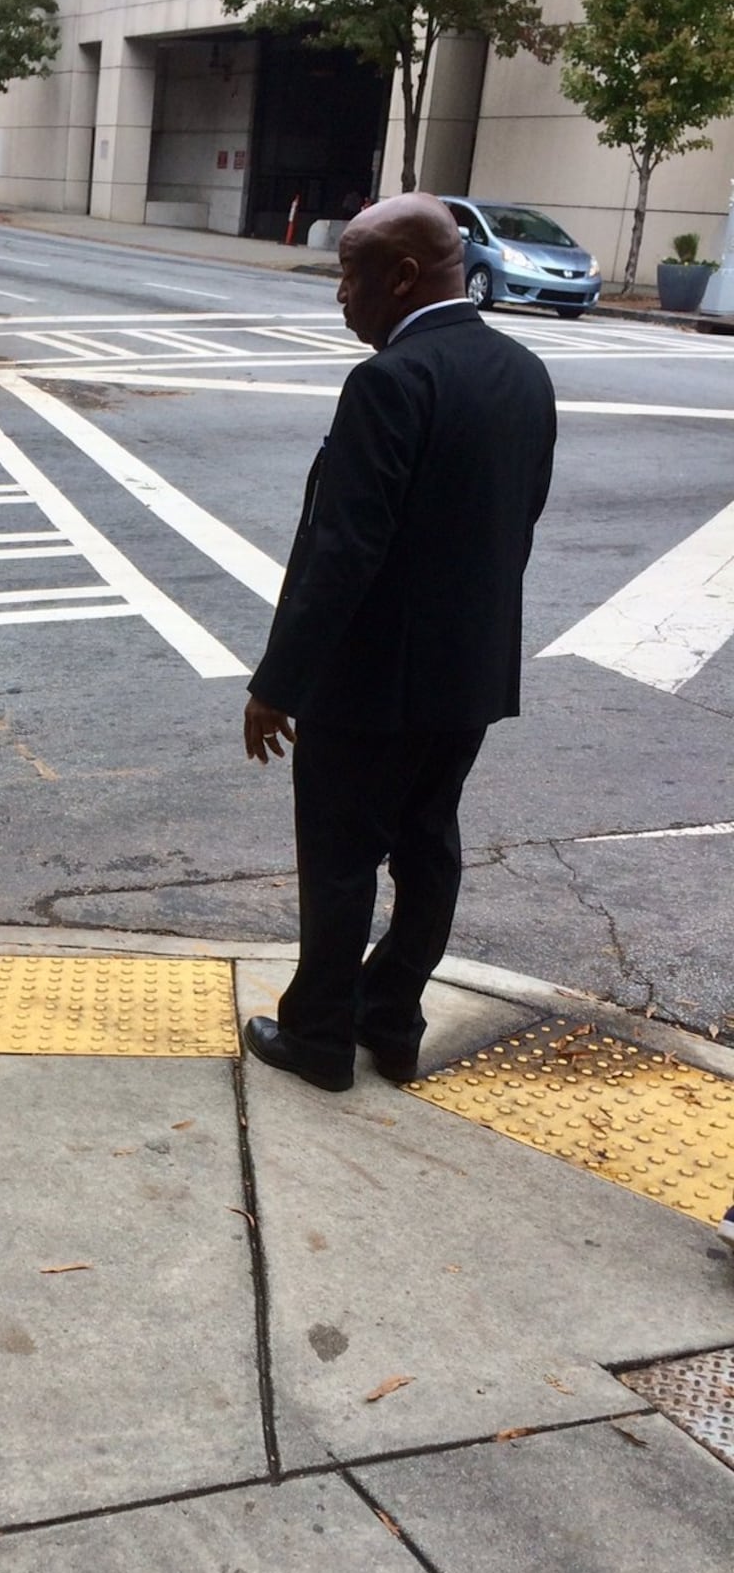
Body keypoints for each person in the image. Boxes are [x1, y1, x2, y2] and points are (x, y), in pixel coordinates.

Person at [241, 191, 557, 1093]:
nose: (341, 292)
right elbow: (517, 524)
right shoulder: (523, 374)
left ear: (404, 276)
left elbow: (344, 550)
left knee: (341, 858)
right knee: (428, 847)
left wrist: (280, 682)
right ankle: (393, 1020)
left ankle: (319, 1036)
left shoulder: (389, 382)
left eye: (350, 271)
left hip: (371, 685)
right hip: (469, 679)